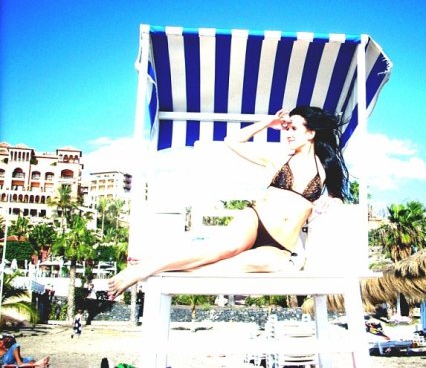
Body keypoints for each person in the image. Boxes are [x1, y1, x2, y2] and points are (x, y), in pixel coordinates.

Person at [108, 106, 350, 298]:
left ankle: (156, 263)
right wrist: (268, 122)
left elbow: (338, 198)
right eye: (286, 128)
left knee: (239, 265)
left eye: (294, 128)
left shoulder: (326, 167)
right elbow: (232, 140)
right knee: (224, 250)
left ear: (311, 133)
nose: (287, 133)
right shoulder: (278, 157)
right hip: (255, 220)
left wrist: (333, 202)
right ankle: (144, 269)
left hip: (281, 245)